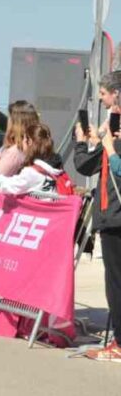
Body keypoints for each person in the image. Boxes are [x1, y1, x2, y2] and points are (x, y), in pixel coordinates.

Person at [76, 71, 121, 362]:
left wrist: (103, 145)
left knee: (116, 282)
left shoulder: (115, 133)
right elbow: (89, 166)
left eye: (105, 94)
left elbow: (113, 166)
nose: (102, 100)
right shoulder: (111, 128)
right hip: (111, 214)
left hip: (116, 214)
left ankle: (118, 343)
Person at [0, 123, 60, 196]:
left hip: (36, 212)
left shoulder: (32, 172)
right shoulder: (55, 166)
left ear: (30, 142)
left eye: (24, 139)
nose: (22, 142)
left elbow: (3, 185)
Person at [0, 100, 39, 185]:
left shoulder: (16, 152)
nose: (8, 122)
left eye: (10, 119)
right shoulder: (30, 146)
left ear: (16, 124)